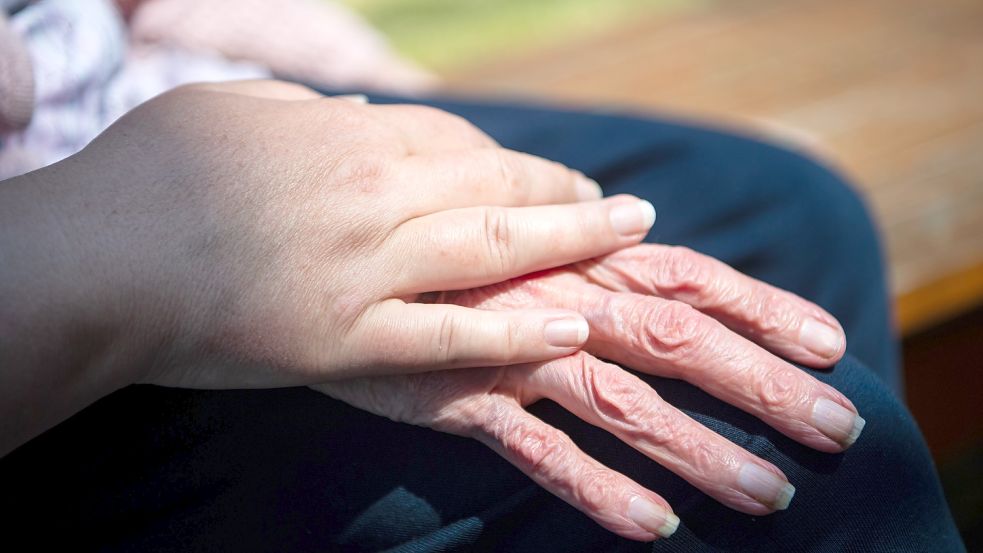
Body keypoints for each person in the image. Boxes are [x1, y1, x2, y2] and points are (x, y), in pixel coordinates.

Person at [0, 3, 965, 552]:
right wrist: (140, 249)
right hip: (67, 289)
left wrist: (385, 100)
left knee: (783, 216)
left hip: (153, 127)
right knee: (793, 452)